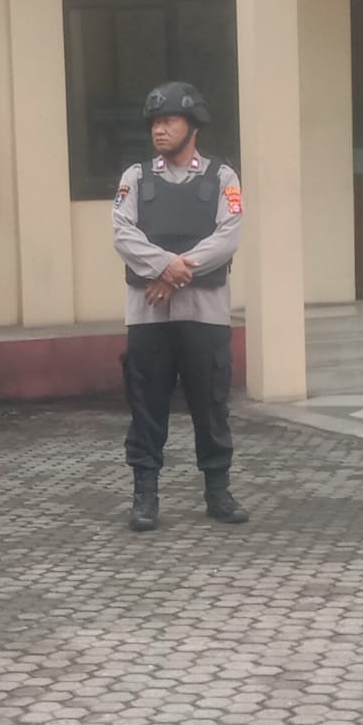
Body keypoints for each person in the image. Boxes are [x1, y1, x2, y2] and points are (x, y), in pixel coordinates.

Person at [113, 81, 249, 532]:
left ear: (193, 126)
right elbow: (123, 233)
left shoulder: (222, 179)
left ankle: (218, 490)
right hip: (147, 315)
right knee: (145, 405)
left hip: (205, 313)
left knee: (211, 404)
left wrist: (173, 272)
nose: (159, 129)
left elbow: (228, 236)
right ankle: (145, 496)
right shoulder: (135, 178)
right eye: (155, 122)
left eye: (169, 121)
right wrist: (165, 265)